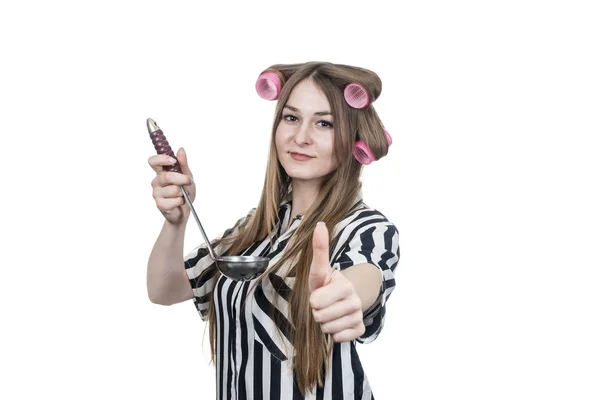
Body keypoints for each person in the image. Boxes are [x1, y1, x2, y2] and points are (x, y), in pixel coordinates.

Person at [147, 61, 401, 399]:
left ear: (353, 139)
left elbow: (365, 277)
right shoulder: (254, 228)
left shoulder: (367, 228)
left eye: (324, 123)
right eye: (291, 118)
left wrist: (346, 295)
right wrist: (175, 221)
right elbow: (163, 290)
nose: (300, 137)